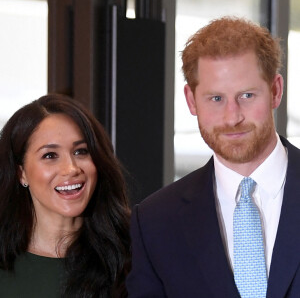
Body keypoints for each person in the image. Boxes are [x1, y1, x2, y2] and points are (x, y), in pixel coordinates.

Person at [126, 17, 300, 297]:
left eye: (246, 95)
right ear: (191, 100)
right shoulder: (155, 223)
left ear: (275, 91)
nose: (232, 117)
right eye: (216, 99)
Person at [0, 94, 131, 297]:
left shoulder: (135, 256)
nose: (71, 169)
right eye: (50, 156)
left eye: (81, 151)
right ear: (21, 173)